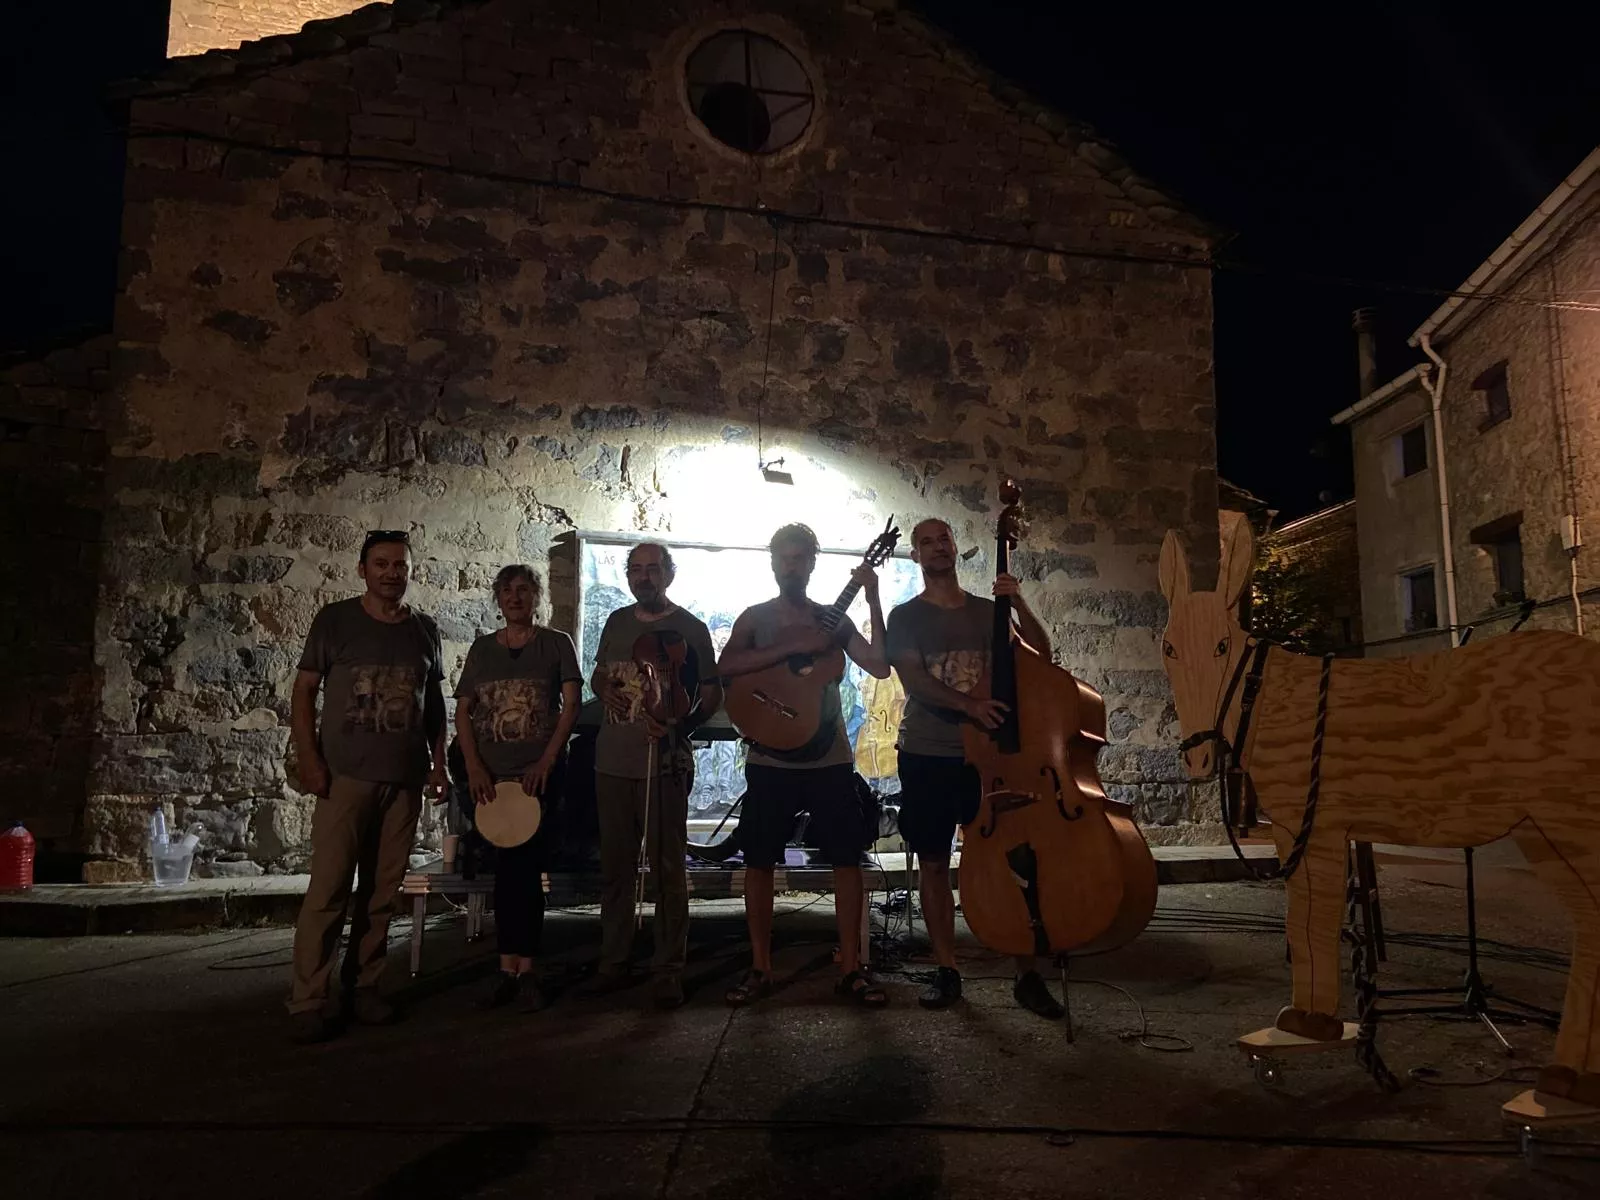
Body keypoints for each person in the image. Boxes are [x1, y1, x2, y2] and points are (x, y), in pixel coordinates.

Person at [886, 517, 1067, 1016]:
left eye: (944, 538)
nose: (937, 547)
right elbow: (915, 681)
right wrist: (970, 707)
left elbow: (1041, 656)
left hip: (993, 757)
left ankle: (1027, 974)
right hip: (927, 751)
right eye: (926, 542)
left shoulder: (990, 611)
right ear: (916, 555)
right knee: (935, 863)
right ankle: (948, 968)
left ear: (955, 548)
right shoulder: (905, 617)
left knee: (1016, 862)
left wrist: (1019, 601)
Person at [717, 523, 890, 1007]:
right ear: (773, 563)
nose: (792, 565)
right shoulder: (755, 618)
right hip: (770, 757)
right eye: (785, 558)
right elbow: (726, 666)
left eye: (801, 557)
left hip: (828, 758)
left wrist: (873, 598)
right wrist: (790, 649)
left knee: (846, 861)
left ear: (813, 562)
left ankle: (852, 968)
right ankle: (760, 967)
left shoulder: (832, 621)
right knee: (758, 861)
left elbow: (879, 664)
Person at [286, 529, 447, 1043]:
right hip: (345, 778)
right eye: (381, 564)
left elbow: (435, 706)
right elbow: (305, 690)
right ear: (362, 570)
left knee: (381, 895)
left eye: (399, 565)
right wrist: (309, 759)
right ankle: (310, 997)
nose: (391, 573)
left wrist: (438, 764)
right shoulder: (334, 621)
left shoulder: (424, 630)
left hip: (402, 781)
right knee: (328, 891)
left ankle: (366, 988)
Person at [586, 542, 722, 1009]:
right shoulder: (617, 622)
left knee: (668, 872)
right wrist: (602, 686)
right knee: (616, 871)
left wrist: (681, 725)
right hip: (612, 762)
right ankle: (613, 960)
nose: (644, 577)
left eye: (653, 569)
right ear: (629, 576)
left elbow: (710, 692)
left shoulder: (691, 628)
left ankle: (668, 968)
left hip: (664, 761)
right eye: (637, 570)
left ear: (669, 574)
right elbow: (598, 676)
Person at [455, 564, 583, 1013]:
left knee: (526, 875)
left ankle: (525, 969)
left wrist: (546, 762)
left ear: (536, 596)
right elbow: (463, 713)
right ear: (498, 598)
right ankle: (505, 967)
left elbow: (571, 706)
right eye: (507, 591)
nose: (515, 598)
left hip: (536, 780)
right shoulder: (481, 650)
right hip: (491, 781)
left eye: (524, 590)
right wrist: (473, 767)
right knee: (504, 874)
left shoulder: (556, 644)